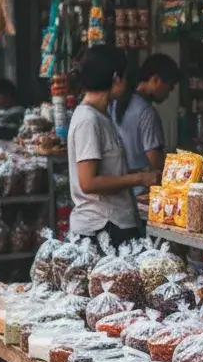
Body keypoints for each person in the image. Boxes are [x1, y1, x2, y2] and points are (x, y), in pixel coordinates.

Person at [67, 46, 159, 246]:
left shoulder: (101, 115)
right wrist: (140, 178)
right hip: (102, 228)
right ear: (116, 78)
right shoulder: (88, 120)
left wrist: (139, 173)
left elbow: (108, 170)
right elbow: (88, 183)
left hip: (113, 224)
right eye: (125, 78)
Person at [113, 54, 179, 183]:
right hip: (140, 188)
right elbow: (155, 160)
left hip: (121, 183)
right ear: (155, 80)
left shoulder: (118, 103)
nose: (168, 93)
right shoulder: (146, 112)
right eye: (169, 87)